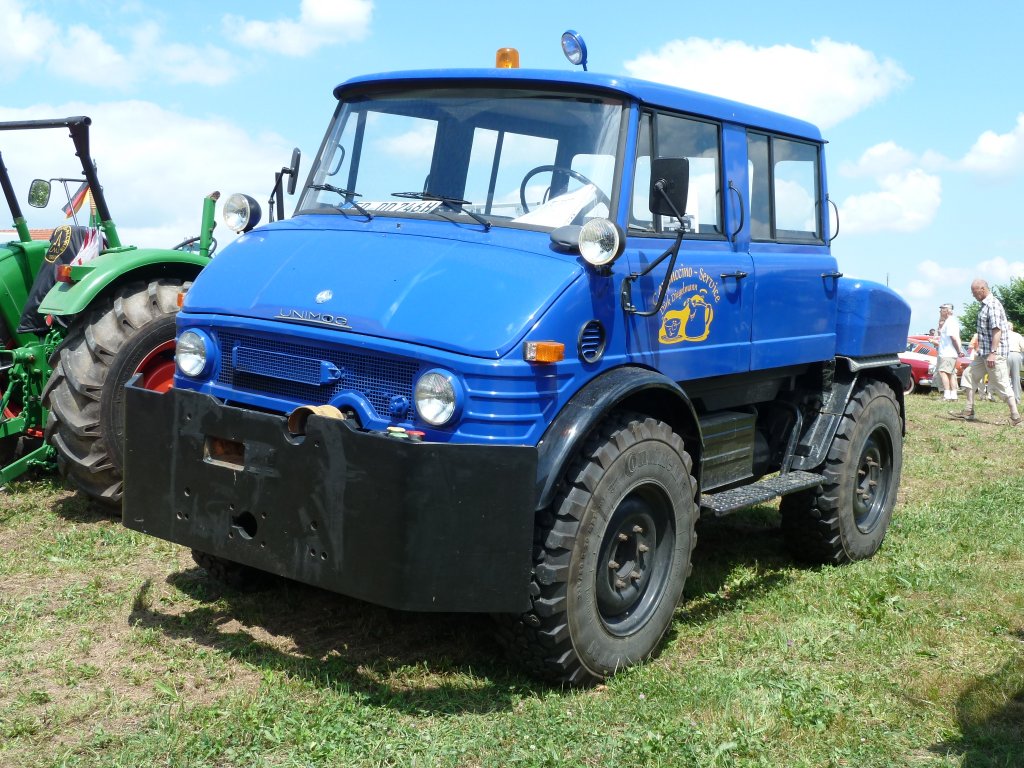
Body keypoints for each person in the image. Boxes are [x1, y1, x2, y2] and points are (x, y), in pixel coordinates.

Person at [955, 279, 1022, 425]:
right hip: (983, 353)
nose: (973, 295)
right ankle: (968, 410)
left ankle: (1016, 417)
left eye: (974, 292)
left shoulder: (992, 305)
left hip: (994, 354)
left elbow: (997, 331)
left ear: (982, 289)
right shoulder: (984, 305)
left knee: (1002, 385)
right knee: (968, 375)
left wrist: (993, 352)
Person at [936, 303, 964, 401]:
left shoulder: (950, 322)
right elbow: (940, 331)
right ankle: (953, 395)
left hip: (947, 352)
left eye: (942, 309)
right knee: (951, 373)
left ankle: (947, 395)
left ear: (947, 310)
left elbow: (953, 337)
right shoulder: (949, 321)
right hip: (949, 352)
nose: (940, 311)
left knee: (943, 372)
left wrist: (959, 350)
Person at [1007, 320, 1024, 403]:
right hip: (1016, 354)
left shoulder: (1002, 335)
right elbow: (1023, 347)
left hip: (1004, 355)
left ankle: (1007, 398)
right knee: (1016, 377)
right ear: (1012, 327)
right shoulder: (1018, 335)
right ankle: (1017, 398)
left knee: (1004, 378)